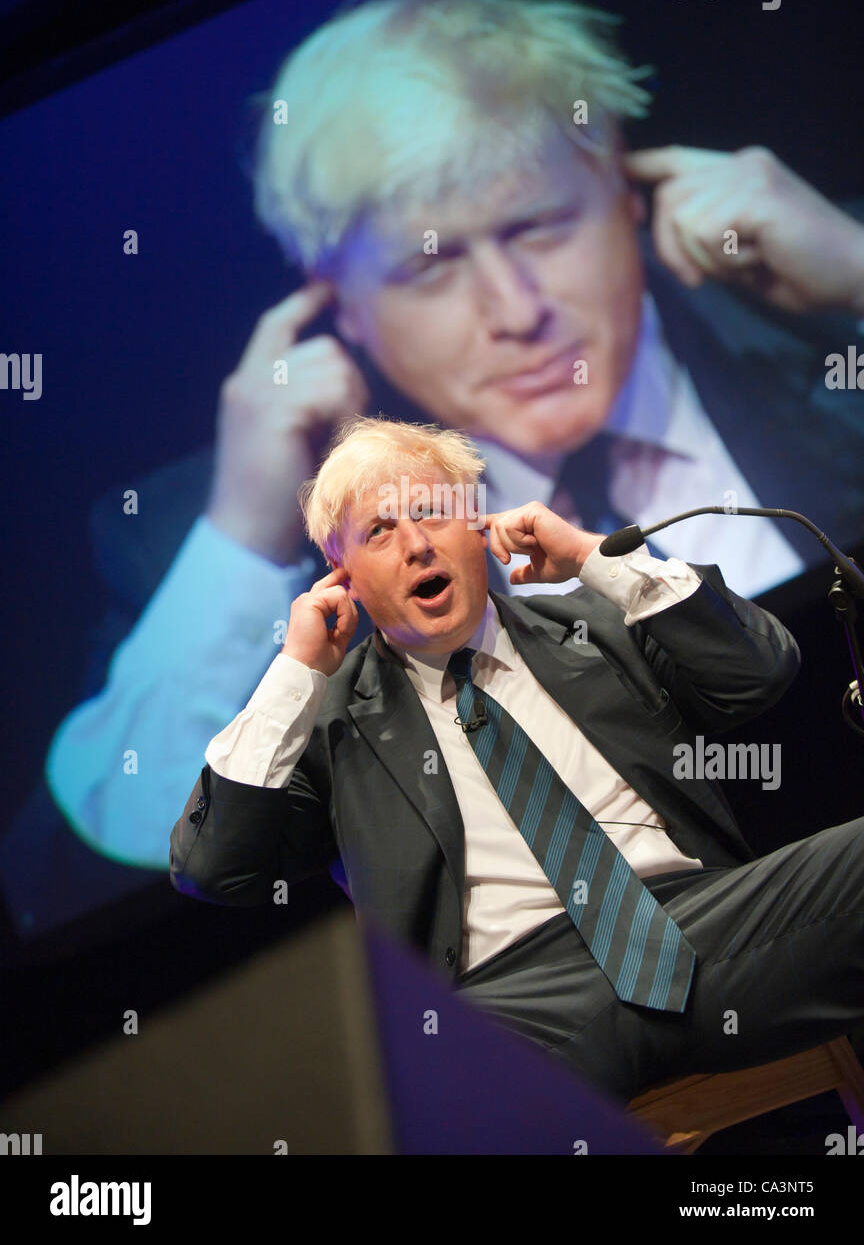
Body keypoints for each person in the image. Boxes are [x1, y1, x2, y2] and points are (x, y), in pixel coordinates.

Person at [29, 0, 864, 881]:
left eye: (539, 226)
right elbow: (85, 880)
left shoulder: (828, 312)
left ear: (627, 184)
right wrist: (242, 540)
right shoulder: (213, 527)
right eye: (431, 268)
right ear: (333, 302)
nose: (517, 312)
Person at [170, 416, 864, 1106]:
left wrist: (598, 560)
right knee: (383, 1084)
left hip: (704, 931)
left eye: (433, 514)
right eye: (381, 531)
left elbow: (759, 671)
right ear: (342, 577)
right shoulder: (331, 727)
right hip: (513, 1010)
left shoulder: (599, 624)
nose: (415, 544)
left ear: (478, 525)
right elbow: (214, 867)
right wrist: (296, 671)